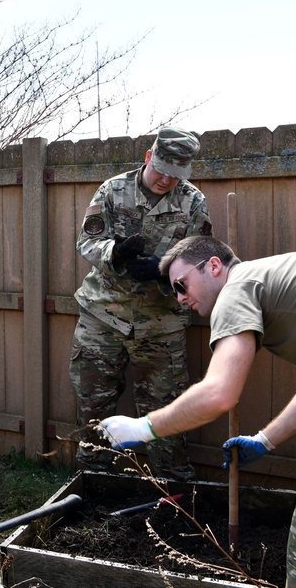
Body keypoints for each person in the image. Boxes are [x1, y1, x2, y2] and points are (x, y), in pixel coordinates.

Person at [99, 235, 296, 587]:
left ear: (213, 266)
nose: (181, 299)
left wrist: (143, 429)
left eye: (181, 285)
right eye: (174, 292)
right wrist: (263, 441)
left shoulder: (238, 287)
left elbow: (219, 393)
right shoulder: (287, 297)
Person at [71, 125, 212, 481]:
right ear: (149, 157)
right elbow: (88, 242)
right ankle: (93, 482)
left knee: (166, 411)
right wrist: (114, 253)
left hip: (160, 323)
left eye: (176, 175)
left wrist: (164, 271)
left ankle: (175, 494)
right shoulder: (113, 190)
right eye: (162, 170)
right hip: (103, 317)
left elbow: (200, 259)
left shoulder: (193, 202)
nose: (167, 180)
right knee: (93, 404)